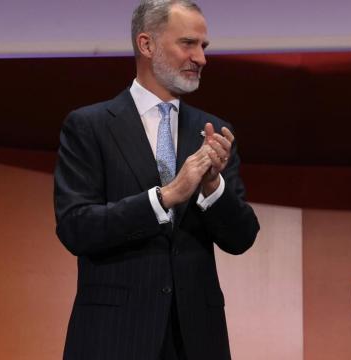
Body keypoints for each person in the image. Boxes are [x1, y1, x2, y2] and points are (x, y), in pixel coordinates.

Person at [53, 1, 259, 359]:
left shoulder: (212, 132)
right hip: (114, 338)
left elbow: (241, 238)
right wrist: (164, 197)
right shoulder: (90, 126)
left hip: (196, 340)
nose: (201, 58)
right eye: (188, 43)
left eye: (203, 47)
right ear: (146, 45)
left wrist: (213, 188)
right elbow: (76, 227)